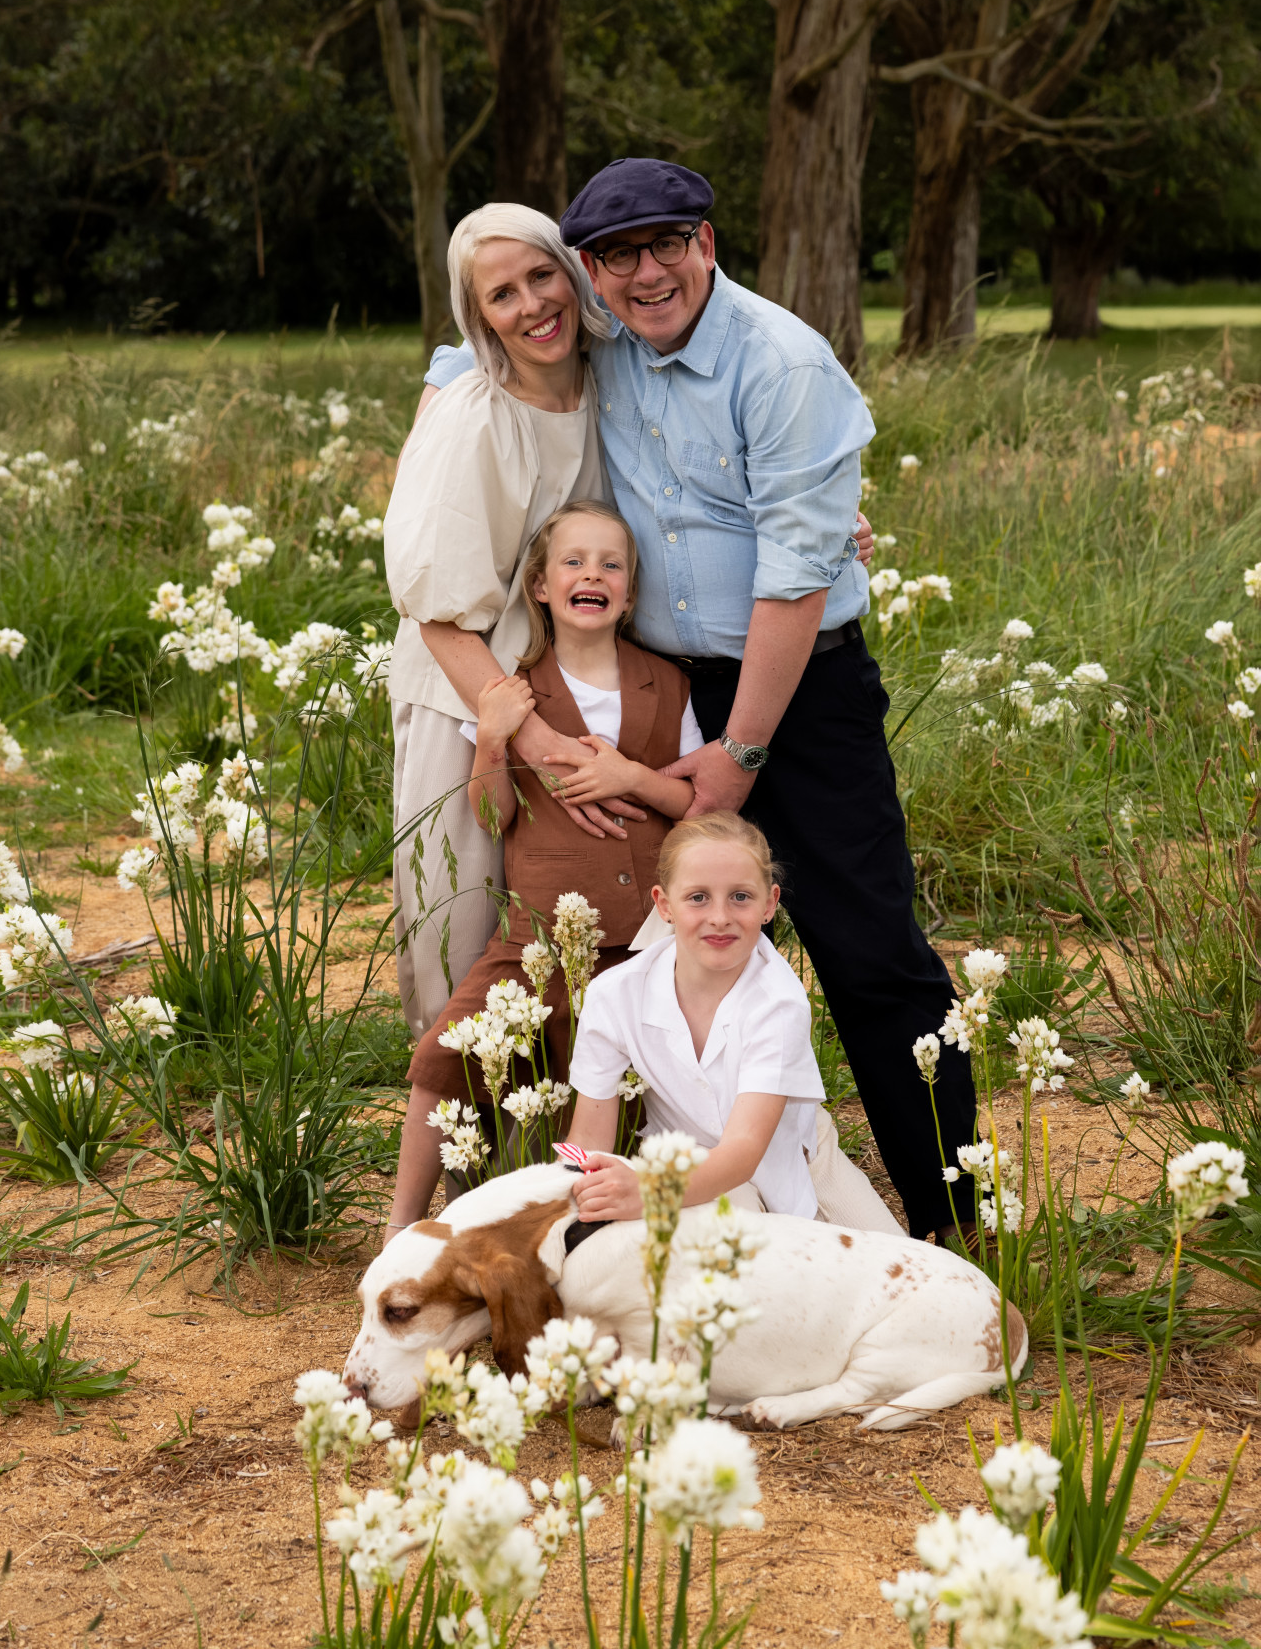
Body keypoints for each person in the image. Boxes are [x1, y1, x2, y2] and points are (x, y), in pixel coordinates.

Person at [420, 158, 977, 1243]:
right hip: (652, 684)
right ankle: (594, 1206)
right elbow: (490, 335)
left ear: (707, 242)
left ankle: (954, 1220)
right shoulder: (609, 338)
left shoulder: (780, 364)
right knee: (634, 945)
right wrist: (446, 377)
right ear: (593, 274)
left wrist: (741, 752)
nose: (646, 272)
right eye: (618, 257)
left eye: (666, 243)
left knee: (866, 950)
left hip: (791, 693)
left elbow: (793, 581)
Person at [382, 499, 703, 1241]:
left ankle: (585, 1225)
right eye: (574, 562)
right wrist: (492, 742)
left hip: (647, 942)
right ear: (540, 586)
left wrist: (631, 777)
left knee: (613, 1086)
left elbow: (693, 803)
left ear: (628, 592)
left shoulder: (667, 684)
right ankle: (400, 1226)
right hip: (536, 940)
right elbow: (491, 818)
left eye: (611, 564)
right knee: (442, 1056)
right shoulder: (514, 691)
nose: (593, 573)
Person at [382, 203, 617, 1040]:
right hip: (468, 699)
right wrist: (529, 740)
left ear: (573, 270)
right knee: (463, 930)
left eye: (541, 275)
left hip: (574, 695)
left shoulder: (615, 384)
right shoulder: (474, 415)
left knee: (571, 938)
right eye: (502, 293)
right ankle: (466, 1156)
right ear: (477, 314)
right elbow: (439, 614)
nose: (531, 305)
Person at [565, 811, 903, 1232]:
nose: (720, 917)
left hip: (794, 1155)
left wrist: (650, 1191)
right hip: (681, 1166)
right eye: (698, 897)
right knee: (735, 1264)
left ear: (770, 904)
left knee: (911, 1276)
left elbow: (744, 1150)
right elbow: (587, 1138)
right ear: (664, 905)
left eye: (741, 896)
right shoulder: (613, 995)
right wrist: (575, 1202)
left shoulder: (779, 1000)